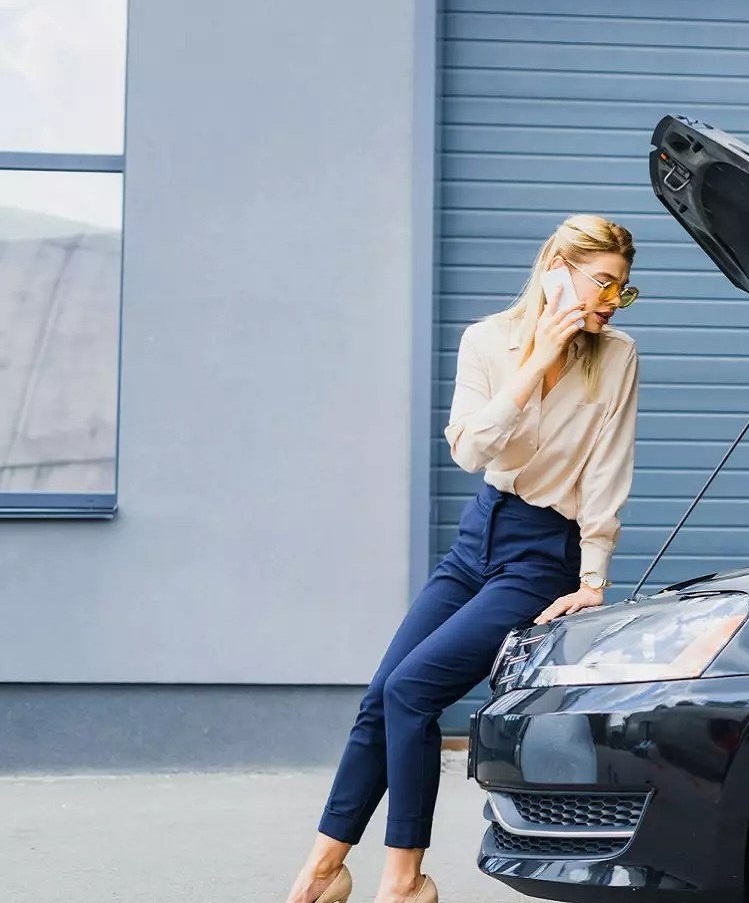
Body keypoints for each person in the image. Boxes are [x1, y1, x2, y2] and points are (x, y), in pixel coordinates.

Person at [282, 214, 641, 903]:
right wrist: (538, 360)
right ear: (556, 269)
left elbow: (607, 471)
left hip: (542, 552)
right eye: (601, 283)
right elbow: (471, 449)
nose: (608, 301)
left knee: (413, 692)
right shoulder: (487, 341)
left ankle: (404, 880)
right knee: (379, 698)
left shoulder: (618, 356)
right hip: (479, 533)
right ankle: (324, 867)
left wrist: (594, 576)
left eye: (621, 290)